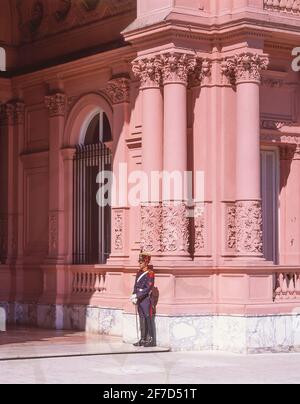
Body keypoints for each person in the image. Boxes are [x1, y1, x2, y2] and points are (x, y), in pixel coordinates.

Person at [130, 251, 156, 347]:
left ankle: (151, 340)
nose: (139, 264)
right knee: (142, 318)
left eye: (141, 262)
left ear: (146, 263)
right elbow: (136, 286)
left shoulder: (150, 274)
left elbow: (148, 288)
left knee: (148, 318)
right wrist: (134, 295)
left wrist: (138, 295)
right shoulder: (138, 273)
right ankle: (143, 339)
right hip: (139, 299)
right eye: (139, 262)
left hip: (146, 300)